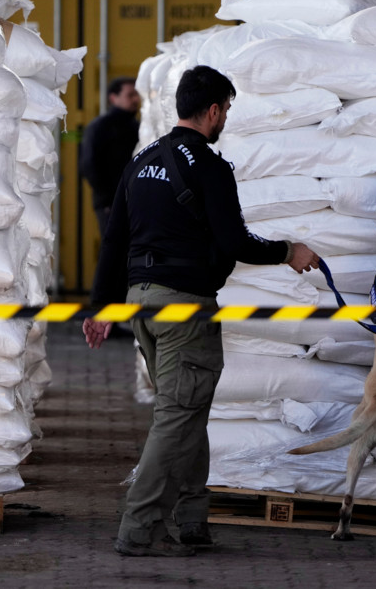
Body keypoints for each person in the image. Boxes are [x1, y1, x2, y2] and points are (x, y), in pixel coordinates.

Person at [82, 65, 320, 557]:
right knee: (177, 414)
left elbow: (114, 240)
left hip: (140, 304)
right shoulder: (209, 166)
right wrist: (287, 251)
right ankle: (137, 524)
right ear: (212, 110)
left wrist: (101, 306)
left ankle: (192, 517)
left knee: (188, 412)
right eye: (227, 108)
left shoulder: (141, 160)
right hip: (184, 307)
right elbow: (235, 241)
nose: (226, 117)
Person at [79, 77, 141, 237]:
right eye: (130, 95)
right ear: (113, 98)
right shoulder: (100, 127)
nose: (136, 99)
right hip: (110, 204)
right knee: (113, 250)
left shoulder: (138, 128)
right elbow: (88, 165)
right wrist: (107, 200)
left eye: (137, 94)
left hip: (136, 202)